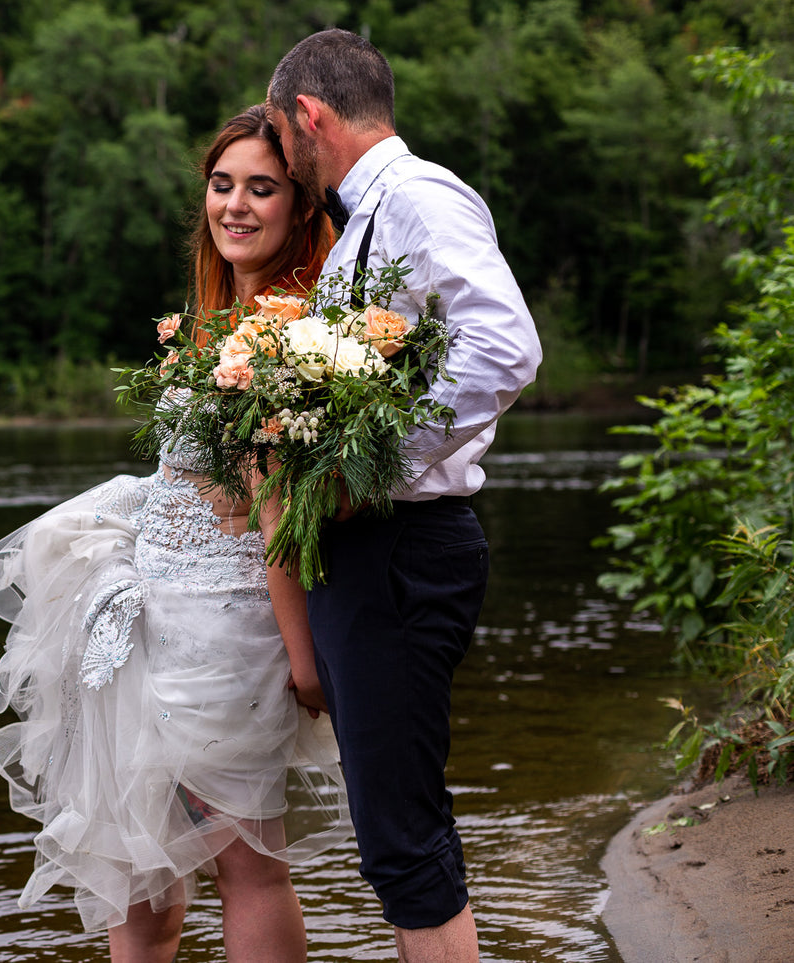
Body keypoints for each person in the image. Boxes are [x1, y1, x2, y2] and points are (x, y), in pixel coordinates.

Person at [0, 105, 347, 963]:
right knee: (136, 862)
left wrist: (304, 661)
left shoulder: (291, 334)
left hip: (224, 624)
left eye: (262, 188)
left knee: (248, 864)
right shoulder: (215, 319)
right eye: (221, 184)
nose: (235, 205)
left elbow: (278, 514)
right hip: (144, 612)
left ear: (301, 208)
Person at [265, 28, 543, 962]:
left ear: (308, 115)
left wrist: (365, 467)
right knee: (392, 827)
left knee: (400, 832)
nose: (283, 159)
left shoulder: (418, 197)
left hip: (402, 546)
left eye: (280, 134)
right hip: (372, 554)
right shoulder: (367, 219)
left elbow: (504, 345)